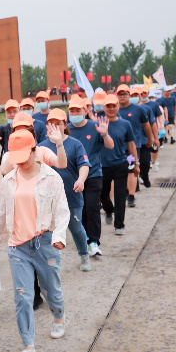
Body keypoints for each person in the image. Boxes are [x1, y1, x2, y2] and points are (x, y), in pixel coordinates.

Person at [0, 129, 69, 352]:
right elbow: (0, 214)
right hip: (18, 246)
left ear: (35, 151)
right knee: (22, 297)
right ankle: (28, 345)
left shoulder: (52, 178)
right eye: (16, 157)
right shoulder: (8, 181)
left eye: (25, 155)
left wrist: (59, 237)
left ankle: (59, 316)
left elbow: (62, 210)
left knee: (50, 289)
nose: (21, 162)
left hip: (45, 242)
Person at [39, 108, 91, 271]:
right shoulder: (41, 147)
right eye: (51, 124)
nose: (55, 127)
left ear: (65, 125)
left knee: (75, 227)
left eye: (58, 124)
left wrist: (81, 180)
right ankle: (51, 260)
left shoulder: (75, 144)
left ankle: (84, 254)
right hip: (48, 198)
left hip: (71, 195)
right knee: (48, 231)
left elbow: (84, 165)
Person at [67, 100, 114, 257]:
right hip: (75, 177)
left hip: (93, 173)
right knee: (81, 209)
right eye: (72, 111)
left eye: (77, 110)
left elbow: (110, 146)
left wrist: (105, 134)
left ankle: (94, 242)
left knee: (92, 206)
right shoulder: (67, 129)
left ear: (85, 110)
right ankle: (85, 238)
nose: (74, 114)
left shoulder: (94, 127)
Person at [100, 94, 136, 236]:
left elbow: (131, 144)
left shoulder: (125, 124)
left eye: (114, 106)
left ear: (118, 107)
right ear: (104, 108)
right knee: (103, 195)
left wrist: (135, 163)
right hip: (102, 166)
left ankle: (119, 225)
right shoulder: (98, 123)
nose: (111, 108)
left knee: (120, 196)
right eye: (108, 106)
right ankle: (109, 210)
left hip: (120, 163)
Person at [116, 84, 152, 208]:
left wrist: (151, 138)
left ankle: (131, 196)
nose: (122, 96)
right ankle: (125, 192)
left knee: (132, 169)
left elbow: (146, 125)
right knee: (122, 172)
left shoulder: (138, 109)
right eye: (120, 94)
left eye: (124, 94)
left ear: (129, 95)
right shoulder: (114, 110)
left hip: (132, 146)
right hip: (117, 148)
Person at [132, 87, 159, 187]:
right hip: (131, 145)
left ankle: (145, 177)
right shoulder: (123, 110)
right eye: (132, 95)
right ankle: (134, 187)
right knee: (132, 165)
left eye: (136, 95)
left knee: (145, 163)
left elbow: (152, 124)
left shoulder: (146, 109)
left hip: (144, 141)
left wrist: (155, 138)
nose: (134, 97)